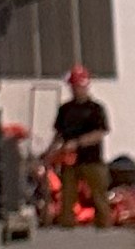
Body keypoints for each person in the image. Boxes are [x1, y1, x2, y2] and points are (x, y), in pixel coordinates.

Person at [46, 64, 111, 224]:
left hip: (92, 161)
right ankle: (66, 225)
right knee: (67, 195)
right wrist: (49, 153)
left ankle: (104, 225)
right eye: (73, 86)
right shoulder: (65, 109)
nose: (76, 89)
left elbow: (99, 133)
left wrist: (78, 143)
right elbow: (59, 134)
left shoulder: (96, 109)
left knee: (99, 195)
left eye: (78, 86)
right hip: (70, 162)